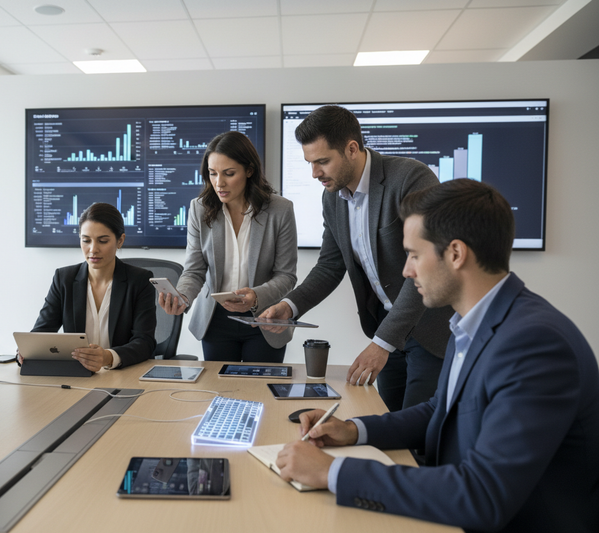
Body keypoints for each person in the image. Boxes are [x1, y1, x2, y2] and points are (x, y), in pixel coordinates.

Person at [275, 179, 599, 532]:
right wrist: (352, 430)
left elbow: (482, 496)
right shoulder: (475, 321)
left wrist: (331, 471)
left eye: (414, 255)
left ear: (456, 254)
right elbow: (441, 411)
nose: (406, 270)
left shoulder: (535, 344)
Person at [259, 105, 452, 411]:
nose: (314, 173)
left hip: (428, 327)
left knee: (420, 435)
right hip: (386, 326)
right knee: (389, 421)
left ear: (352, 149)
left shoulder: (411, 178)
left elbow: (427, 267)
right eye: (310, 163)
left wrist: (382, 343)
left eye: (323, 161)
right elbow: (330, 265)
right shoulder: (332, 197)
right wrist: (290, 306)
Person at [159, 131, 297, 362]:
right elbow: (194, 270)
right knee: (219, 392)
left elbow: (286, 275)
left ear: (249, 171)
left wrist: (255, 296)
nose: (219, 183)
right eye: (212, 174)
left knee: (260, 393)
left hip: (264, 318)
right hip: (215, 321)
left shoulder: (280, 210)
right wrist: (182, 296)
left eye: (229, 174)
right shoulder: (199, 209)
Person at [23, 202, 157, 371]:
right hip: (78, 375)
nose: (93, 249)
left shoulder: (140, 280)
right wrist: (27, 351)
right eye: (86, 240)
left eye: (103, 241)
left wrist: (108, 357)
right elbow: (42, 332)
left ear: (120, 240)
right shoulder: (64, 279)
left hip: (124, 374)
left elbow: (144, 342)